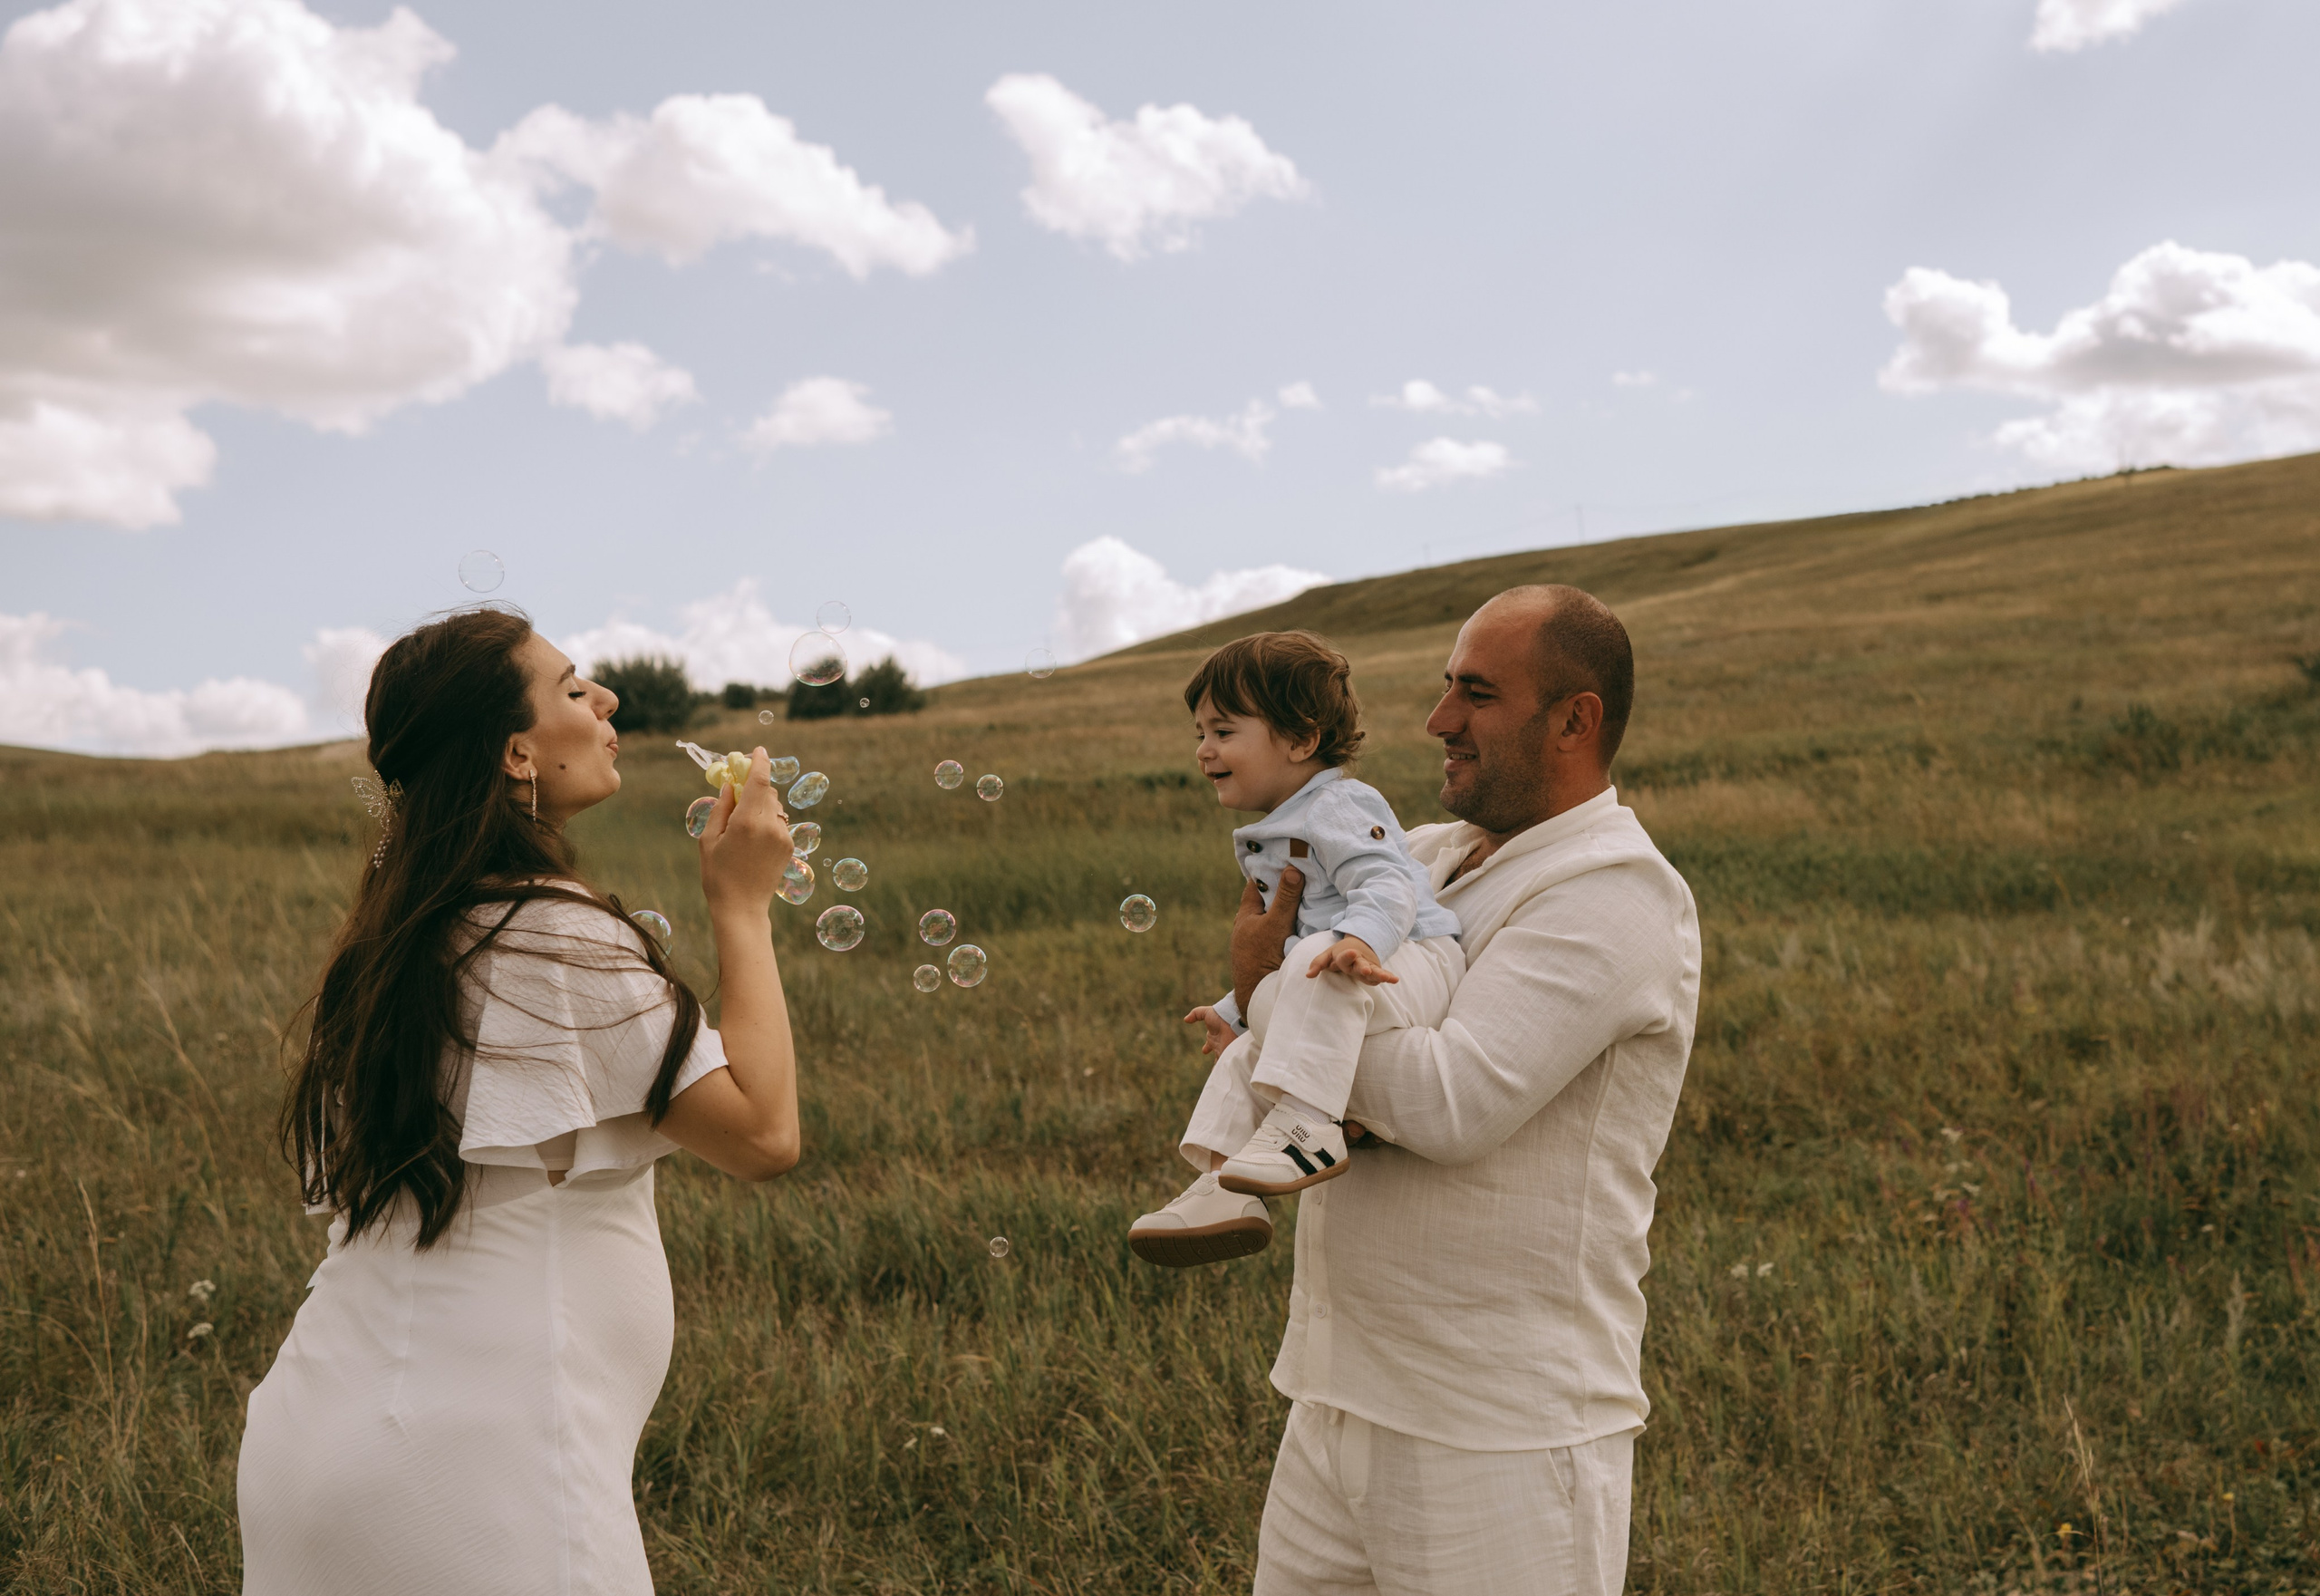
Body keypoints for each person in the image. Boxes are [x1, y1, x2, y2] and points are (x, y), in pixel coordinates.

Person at [237, 607, 802, 1596]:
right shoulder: (547, 931)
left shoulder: (399, 941)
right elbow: (761, 1134)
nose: (608, 698)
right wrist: (742, 907)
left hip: (320, 1439)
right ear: (515, 752)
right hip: (482, 1464)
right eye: (574, 686)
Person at [1233, 585, 1702, 1596]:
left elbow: (1450, 1104)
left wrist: (1264, 995)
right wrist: (1316, 1041)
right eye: (1447, 685)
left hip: (1498, 1434)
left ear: (1575, 719)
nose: (1439, 719)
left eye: (1477, 693)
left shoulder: (1616, 891)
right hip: (1336, 1397)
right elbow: (1362, 1075)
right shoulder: (1428, 858)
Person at [1126, 631, 1464, 1267]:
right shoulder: (1282, 825)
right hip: (1342, 971)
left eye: (1223, 732)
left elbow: (1388, 883)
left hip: (1411, 960)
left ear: (1302, 740)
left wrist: (1358, 941)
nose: (1204, 751)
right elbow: (1284, 949)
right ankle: (1223, 1186)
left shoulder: (1336, 802)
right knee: (1245, 1059)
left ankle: (1308, 1126)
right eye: (1198, 733)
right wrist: (1237, 1009)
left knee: (1316, 960)